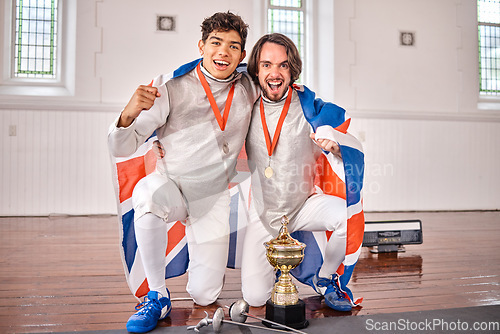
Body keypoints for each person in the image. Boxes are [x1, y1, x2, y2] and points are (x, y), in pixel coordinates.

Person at [108, 12, 259, 333]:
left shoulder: (249, 85)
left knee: (205, 294)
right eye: (216, 43)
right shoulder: (170, 86)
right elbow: (121, 147)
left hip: (213, 196)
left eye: (233, 46)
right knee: (146, 195)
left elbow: (280, 94)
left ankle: (195, 258)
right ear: (201, 46)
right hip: (172, 186)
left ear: (242, 55)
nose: (223, 52)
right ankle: (156, 295)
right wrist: (130, 111)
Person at [241, 33, 364, 312]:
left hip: (304, 205)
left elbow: (344, 136)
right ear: (256, 70)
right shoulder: (244, 106)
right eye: (267, 65)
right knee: (256, 297)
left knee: (346, 214)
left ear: (292, 69)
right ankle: (276, 269)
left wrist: (335, 147)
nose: (275, 73)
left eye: (283, 65)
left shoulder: (310, 109)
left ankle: (327, 278)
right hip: (264, 212)